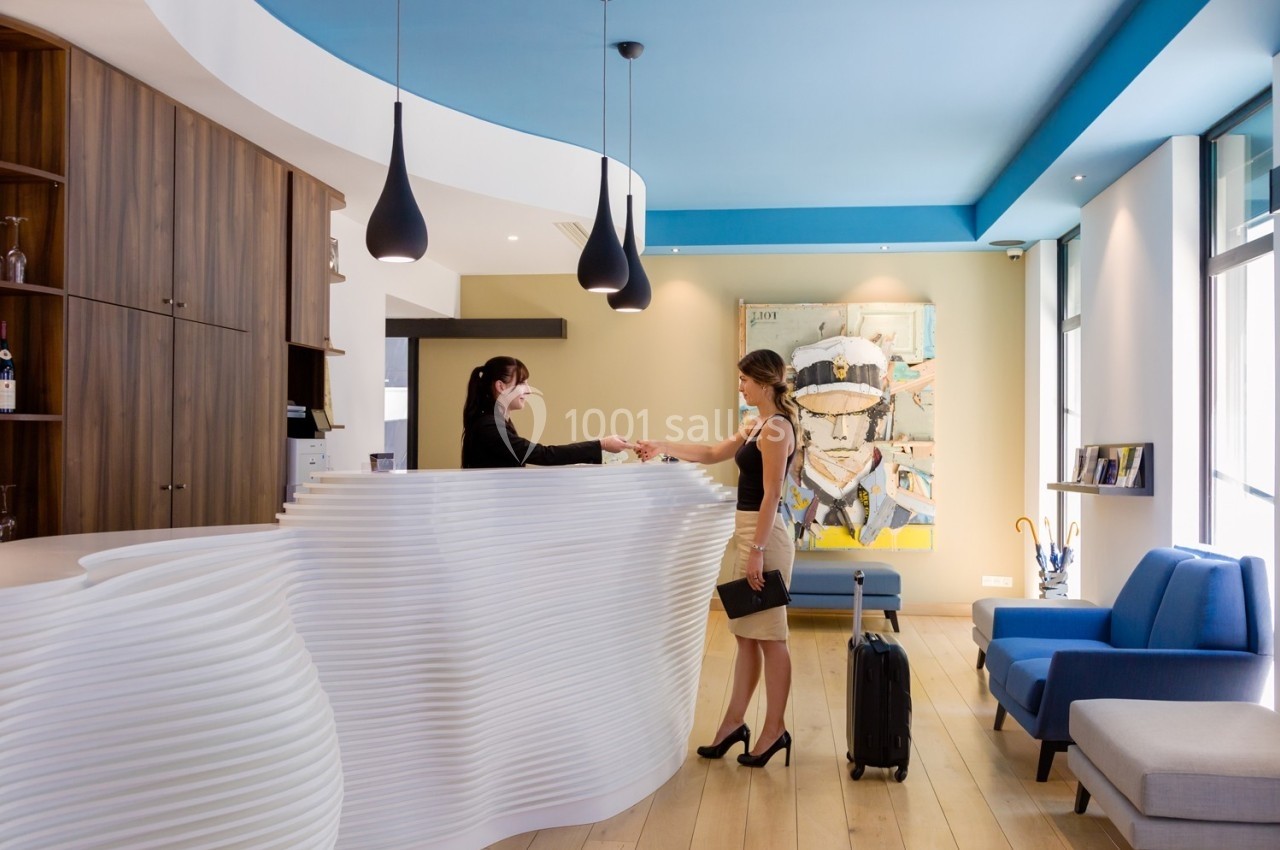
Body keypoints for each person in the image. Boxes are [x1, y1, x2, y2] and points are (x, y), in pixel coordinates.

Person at [635, 349, 798, 767]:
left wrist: (757, 552)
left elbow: (772, 495)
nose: (740, 386)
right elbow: (711, 453)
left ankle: (774, 730)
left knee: (771, 638)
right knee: (745, 634)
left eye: (745, 379)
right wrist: (661, 445)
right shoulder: (755, 424)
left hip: (765, 538)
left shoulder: (777, 428)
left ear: (764, 382)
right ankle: (733, 724)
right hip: (747, 533)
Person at [461, 355, 629, 468]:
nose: (528, 390)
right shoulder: (489, 426)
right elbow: (544, 455)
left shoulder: (495, 422)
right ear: (501, 386)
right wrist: (601, 444)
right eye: (522, 383)